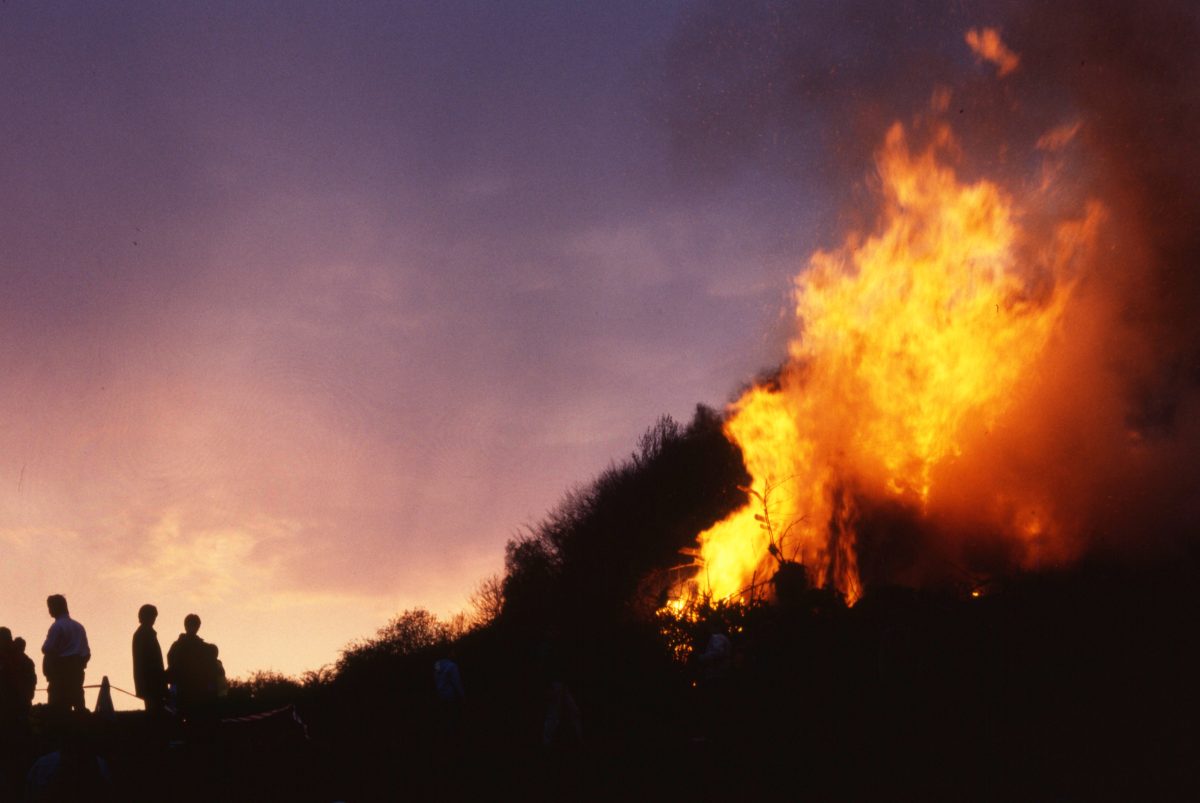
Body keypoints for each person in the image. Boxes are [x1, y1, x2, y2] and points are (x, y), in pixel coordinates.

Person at [41, 595, 90, 713]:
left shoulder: (57, 627)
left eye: (50, 607)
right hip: (77, 670)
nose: (49, 611)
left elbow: (47, 648)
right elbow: (86, 652)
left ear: (55, 608)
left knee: (58, 707)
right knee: (78, 703)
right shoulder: (79, 626)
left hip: (60, 672)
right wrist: (79, 664)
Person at [166, 614, 218, 716]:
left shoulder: (176, 646)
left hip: (183, 694)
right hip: (196, 694)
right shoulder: (205, 649)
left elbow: (171, 666)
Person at [132, 604, 166, 713]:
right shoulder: (144, 634)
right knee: (155, 713)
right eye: (153, 617)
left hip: (150, 683)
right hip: (152, 684)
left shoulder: (144, 634)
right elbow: (148, 662)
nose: (154, 620)